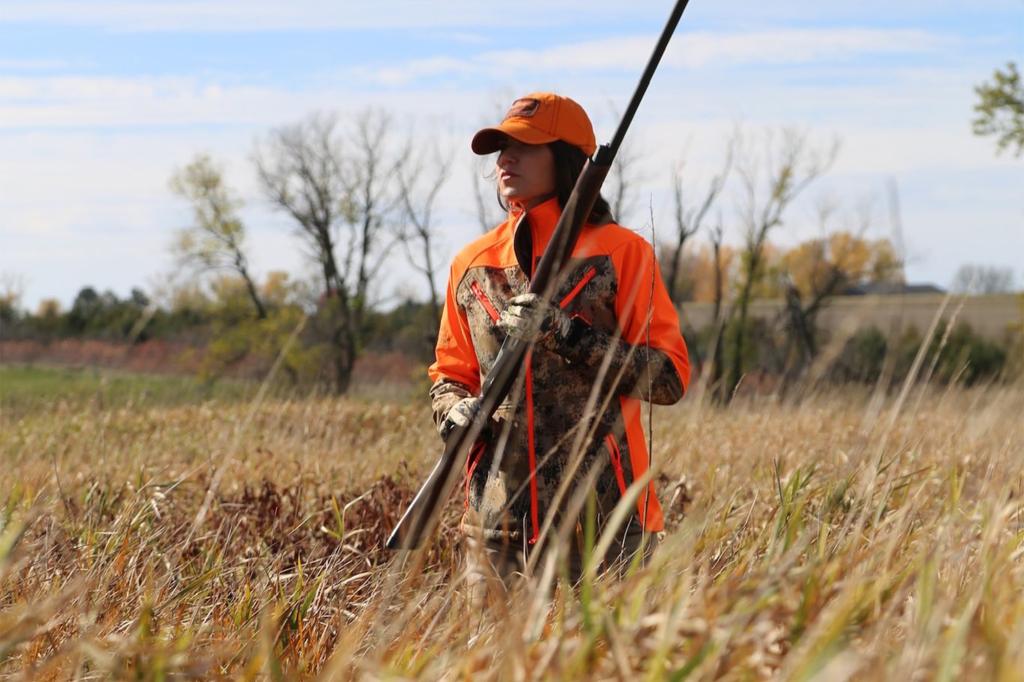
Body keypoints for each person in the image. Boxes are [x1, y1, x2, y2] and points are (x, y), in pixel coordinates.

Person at [428, 92, 690, 586]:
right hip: (495, 529)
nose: (506, 158)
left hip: (605, 525)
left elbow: (670, 378)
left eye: (525, 146)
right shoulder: (473, 263)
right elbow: (450, 373)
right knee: (488, 665)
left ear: (567, 158)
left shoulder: (621, 253)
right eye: (502, 147)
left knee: (611, 665)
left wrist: (566, 334)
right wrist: (451, 408)